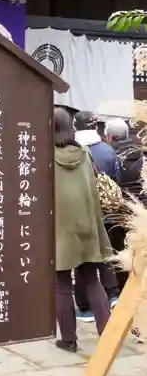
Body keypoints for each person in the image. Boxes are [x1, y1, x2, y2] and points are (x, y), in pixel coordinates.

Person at [54, 108, 111, 353]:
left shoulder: (44, 157)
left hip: (59, 229)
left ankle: (69, 339)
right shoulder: (85, 154)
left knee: (61, 284)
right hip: (87, 225)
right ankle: (107, 336)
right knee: (91, 279)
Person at [73, 111, 121, 321]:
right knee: (105, 255)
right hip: (104, 213)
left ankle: (85, 308)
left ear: (75, 127)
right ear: (96, 127)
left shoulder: (67, 150)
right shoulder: (108, 152)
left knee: (81, 260)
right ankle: (112, 295)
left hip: (76, 214)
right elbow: (116, 181)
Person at [104, 118, 145, 292]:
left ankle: (122, 291)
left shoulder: (109, 157)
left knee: (119, 254)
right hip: (141, 214)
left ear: (111, 137)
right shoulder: (142, 155)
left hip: (118, 215)